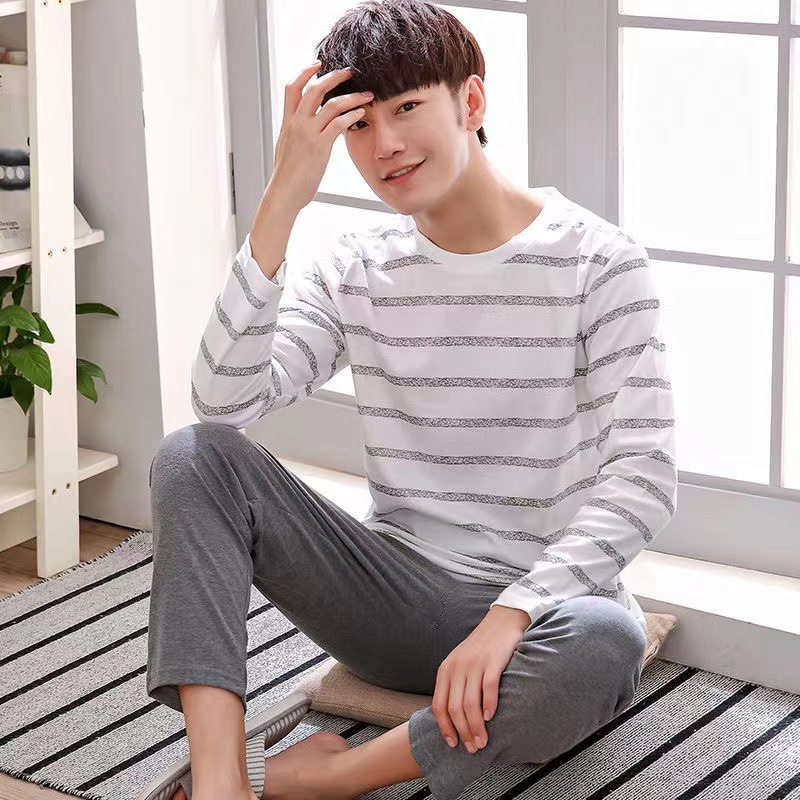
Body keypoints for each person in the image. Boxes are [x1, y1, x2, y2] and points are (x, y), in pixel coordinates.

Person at [146, 1, 678, 798]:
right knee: (193, 457)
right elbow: (223, 407)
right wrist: (283, 196)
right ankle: (223, 779)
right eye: (359, 124)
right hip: (388, 598)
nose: (385, 145)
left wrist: (512, 614)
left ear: (472, 101)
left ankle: (330, 777)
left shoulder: (600, 263)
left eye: (406, 108)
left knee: (606, 641)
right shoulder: (357, 266)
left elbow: (645, 476)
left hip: (535, 615)